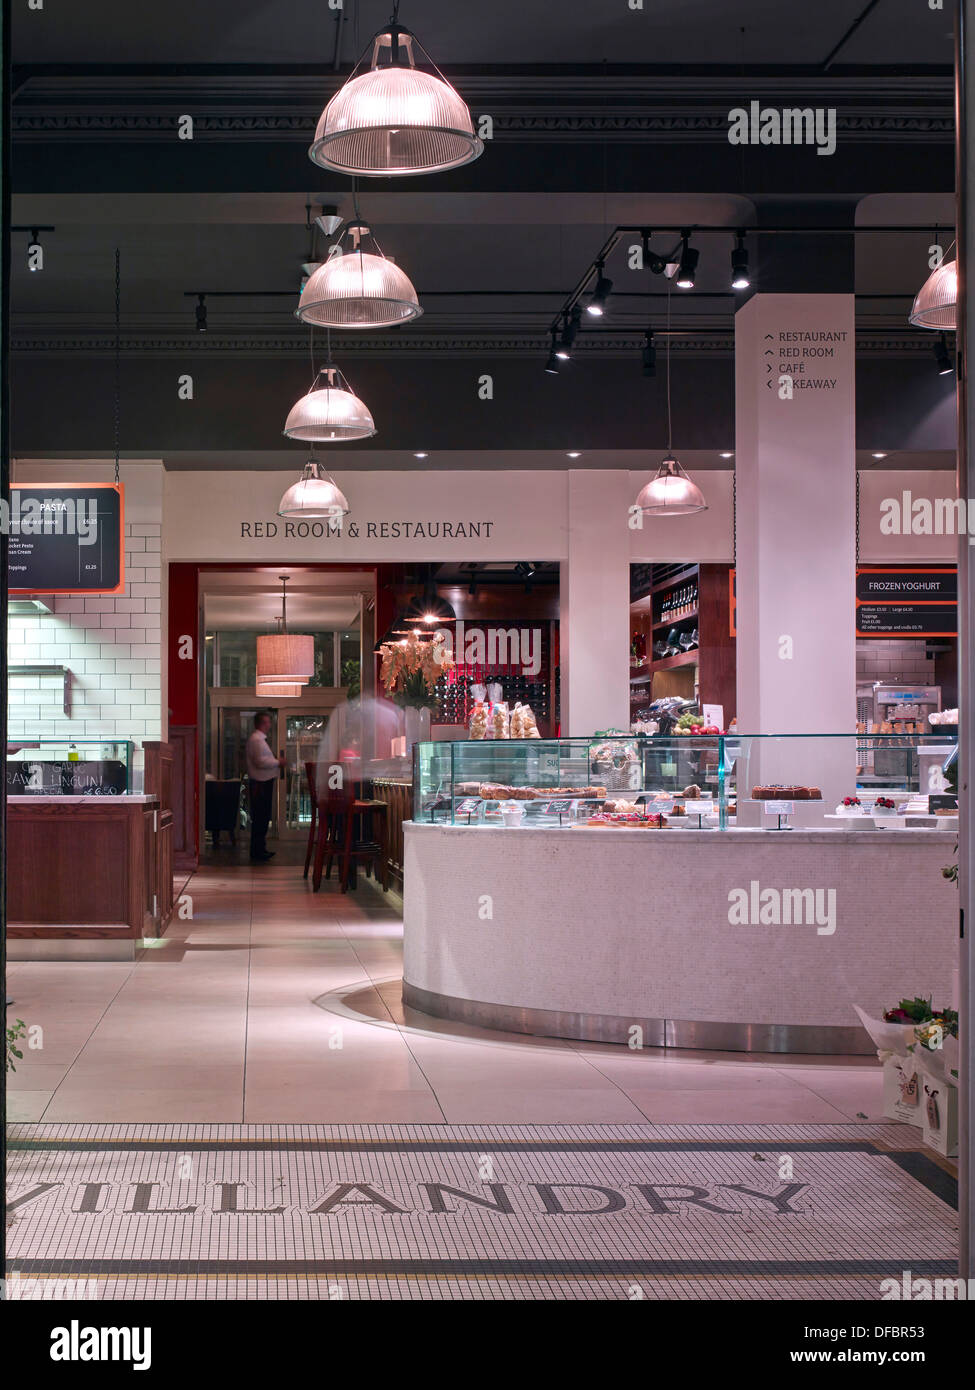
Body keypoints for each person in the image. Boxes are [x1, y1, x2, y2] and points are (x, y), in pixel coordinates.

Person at [246, 712, 284, 861]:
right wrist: (277, 762)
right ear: (261, 723)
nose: (269, 725)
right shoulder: (257, 740)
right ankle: (257, 851)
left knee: (262, 817)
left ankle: (260, 849)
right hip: (260, 783)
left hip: (263, 782)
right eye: (267, 722)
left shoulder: (258, 740)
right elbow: (259, 762)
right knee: (261, 818)